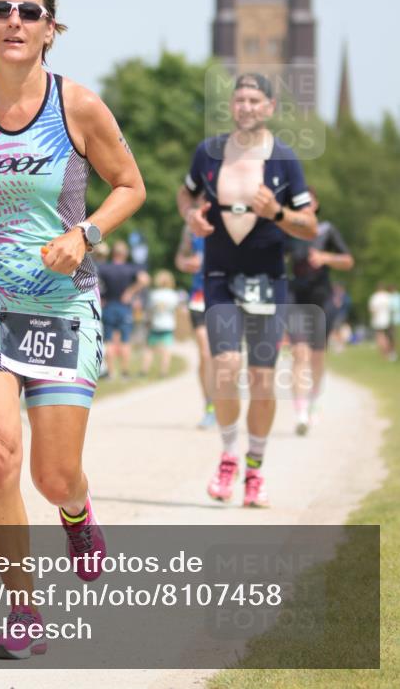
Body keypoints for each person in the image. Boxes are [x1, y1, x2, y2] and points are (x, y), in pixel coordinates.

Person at [0, 0, 146, 659]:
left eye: (29, 10)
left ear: (50, 28)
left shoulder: (77, 106)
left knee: (52, 475)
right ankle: (22, 609)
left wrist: (85, 234)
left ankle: (75, 512)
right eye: (1, 9)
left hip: (61, 305)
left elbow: (130, 186)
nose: (14, 20)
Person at [177, 73, 316, 508]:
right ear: (232, 106)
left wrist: (276, 212)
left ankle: (255, 469)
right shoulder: (209, 152)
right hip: (220, 277)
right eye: (240, 99)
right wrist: (191, 218)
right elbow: (185, 195)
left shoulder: (285, 160)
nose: (246, 106)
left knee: (260, 380)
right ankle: (228, 456)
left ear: (270, 107)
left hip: (268, 280)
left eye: (255, 100)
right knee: (224, 367)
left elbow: (309, 225)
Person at [287, 187, 354, 434]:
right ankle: (300, 412)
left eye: (309, 201)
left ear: (316, 204)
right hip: (295, 296)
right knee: (298, 354)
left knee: (316, 357)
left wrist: (327, 258)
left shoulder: (327, 230)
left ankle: (314, 399)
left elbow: (348, 260)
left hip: (321, 298)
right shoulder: (288, 231)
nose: (304, 205)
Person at [176, 225, 215, 428]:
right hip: (199, 297)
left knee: (225, 357)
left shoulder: (231, 220)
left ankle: (224, 403)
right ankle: (210, 406)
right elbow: (180, 259)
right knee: (206, 353)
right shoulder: (191, 228)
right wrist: (187, 264)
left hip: (225, 297)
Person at [97, 240, 150, 379]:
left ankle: (111, 372)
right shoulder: (130, 268)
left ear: (113, 253)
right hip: (124, 307)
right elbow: (144, 280)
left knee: (108, 341)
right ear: (125, 254)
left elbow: (94, 283)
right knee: (125, 341)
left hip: (108, 306)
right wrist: (130, 292)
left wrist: (100, 298)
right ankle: (125, 372)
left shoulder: (104, 268)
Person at [141, 270, 180, 376]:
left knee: (149, 348)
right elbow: (176, 310)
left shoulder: (154, 294)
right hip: (168, 324)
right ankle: (163, 371)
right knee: (167, 349)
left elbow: (149, 309)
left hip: (155, 324)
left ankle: (144, 370)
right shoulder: (173, 294)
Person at [368, 284, 397, 361]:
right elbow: (392, 308)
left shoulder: (375, 297)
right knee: (388, 336)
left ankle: (384, 353)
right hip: (387, 320)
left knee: (380, 336)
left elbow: (372, 310)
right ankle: (390, 352)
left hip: (378, 320)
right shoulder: (387, 296)